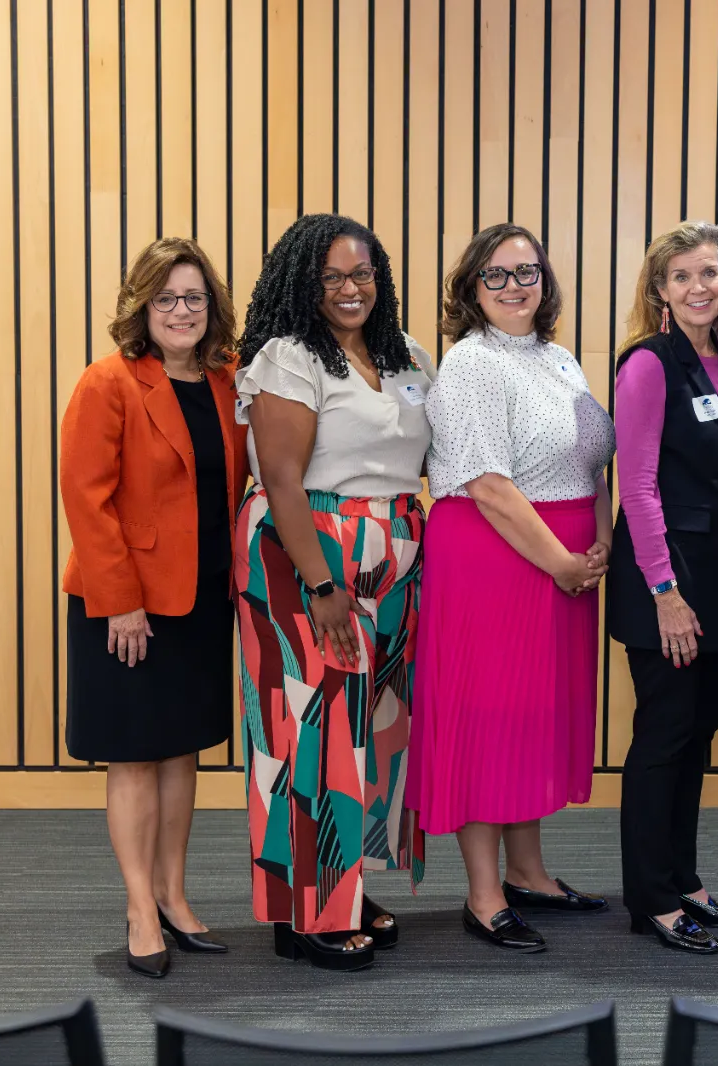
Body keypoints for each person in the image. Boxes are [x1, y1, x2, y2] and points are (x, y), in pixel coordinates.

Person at [234, 214, 434, 972]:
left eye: (363, 274)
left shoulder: (406, 353)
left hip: (394, 553)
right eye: (332, 278)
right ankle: (306, 909)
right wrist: (321, 583)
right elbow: (281, 480)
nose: (351, 290)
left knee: (374, 729)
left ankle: (343, 884)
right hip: (310, 552)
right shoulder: (289, 358)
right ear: (304, 286)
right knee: (307, 729)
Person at [410, 223, 615, 955]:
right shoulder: (470, 363)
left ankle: (528, 871)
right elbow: (490, 486)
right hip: (499, 559)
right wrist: (561, 561)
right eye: (495, 275)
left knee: (532, 716)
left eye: (526, 272)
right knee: (490, 718)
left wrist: (600, 539)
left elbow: (592, 461)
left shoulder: (560, 361)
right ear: (470, 288)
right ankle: (484, 892)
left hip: (564, 558)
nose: (514, 286)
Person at [60, 237, 245, 979]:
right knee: (135, 755)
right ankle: (140, 905)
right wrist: (120, 604)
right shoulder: (107, 383)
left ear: (212, 307)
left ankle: (173, 894)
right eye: (165, 298)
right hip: (127, 607)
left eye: (194, 297)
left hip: (202, 600)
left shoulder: (227, 381)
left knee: (181, 751)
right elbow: (87, 501)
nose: (181, 310)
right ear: (142, 306)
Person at [607, 221, 718, 955]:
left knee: (697, 734)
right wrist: (665, 591)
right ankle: (651, 897)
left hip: (716, 569)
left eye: (711, 273)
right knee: (664, 737)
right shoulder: (648, 363)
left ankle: (684, 878)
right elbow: (635, 486)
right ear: (660, 290)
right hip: (662, 575)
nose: (699, 287)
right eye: (683, 276)